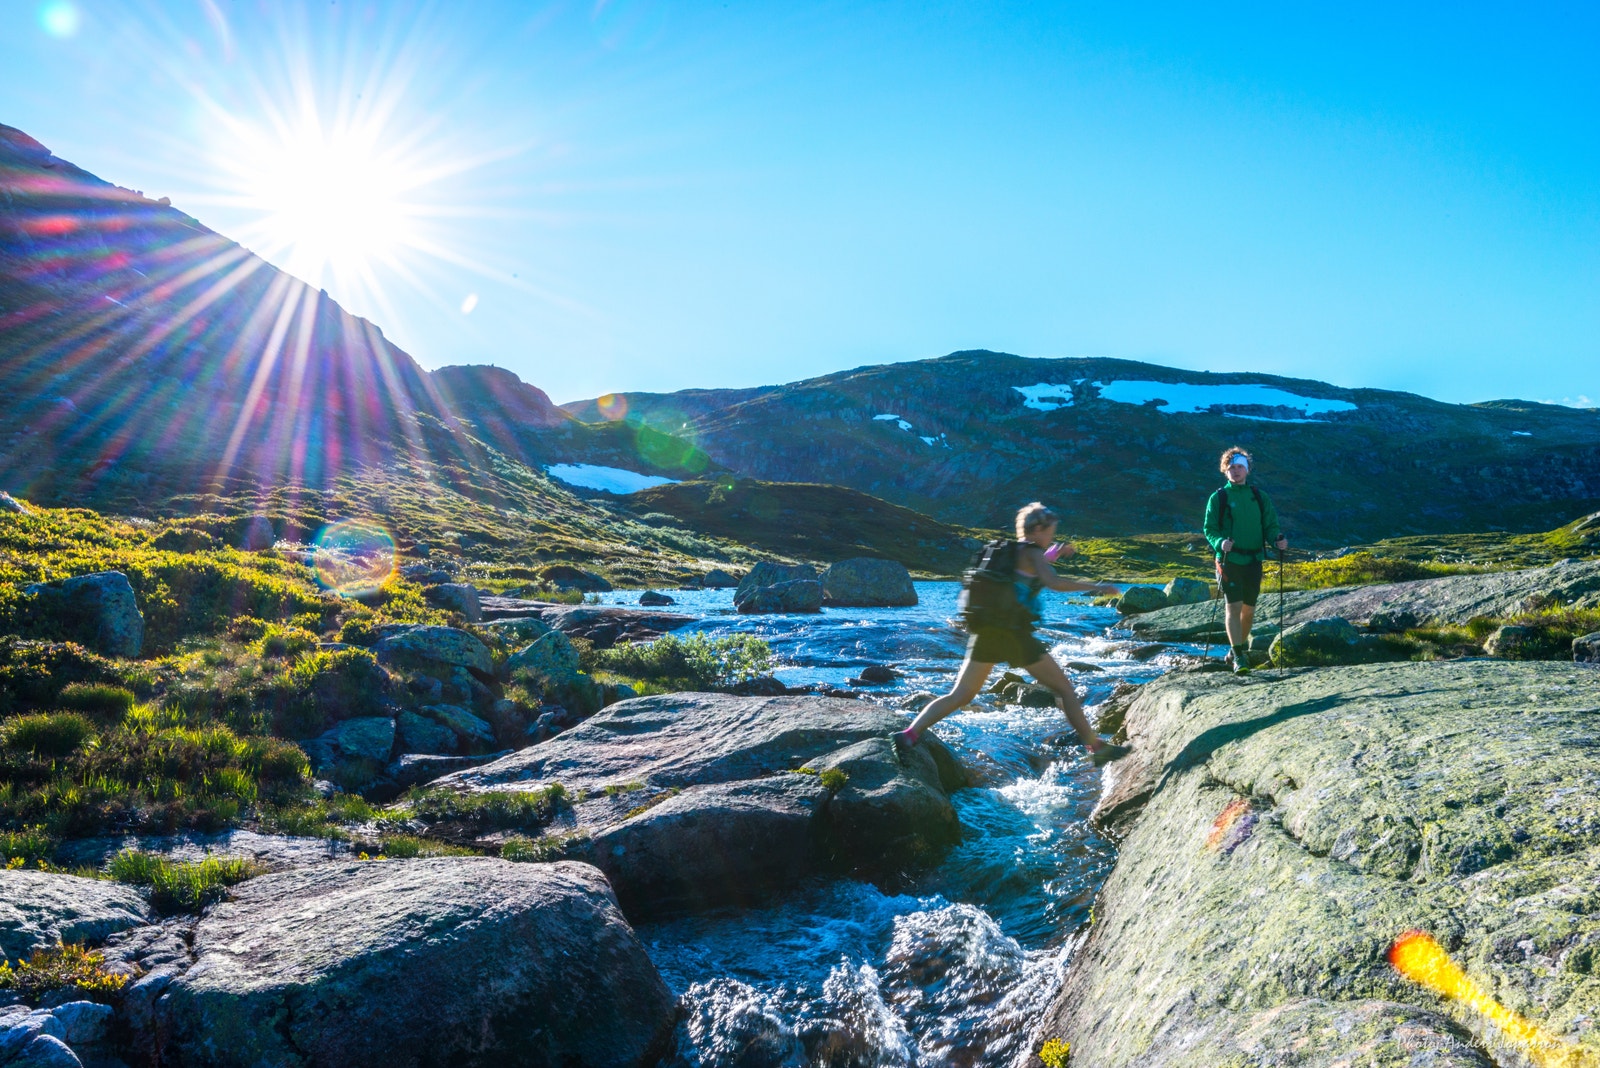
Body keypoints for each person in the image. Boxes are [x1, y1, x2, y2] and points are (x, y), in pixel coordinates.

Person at [895, 502, 1131, 766]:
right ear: (1038, 529)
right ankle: (1096, 747)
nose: (1052, 536)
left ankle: (909, 734)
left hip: (986, 632)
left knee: (960, 694)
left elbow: (1034, 569)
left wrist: (1056, 552)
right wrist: (1097, 586)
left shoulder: (1009, 553)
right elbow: (1052, 582)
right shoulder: (1033, 555)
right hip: (1015, 636)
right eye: (1051, 531)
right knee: (1064, 690)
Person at [1202, 447, 1288, 674]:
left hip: (1254, 559)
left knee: (1249, 609)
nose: (1236, 471)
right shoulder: (1218, 497)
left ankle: (1235, 650)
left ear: (1247, 470)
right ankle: (1239, 655)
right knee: (1234, 606)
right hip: (1228, 559)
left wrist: (1277, 540)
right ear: (1225, 471)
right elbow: (1209, 529)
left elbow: (1270, 526)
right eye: (1231, 467)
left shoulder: (1259, 497)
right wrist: (1220, 542)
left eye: (1240, 466)